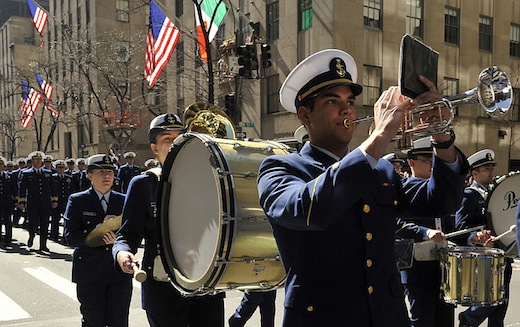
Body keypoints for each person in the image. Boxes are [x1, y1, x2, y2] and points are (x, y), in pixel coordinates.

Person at [256, 48, 468, 326]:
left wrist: (441, 136)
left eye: (350, 101)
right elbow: (310, 210)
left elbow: (441, 201)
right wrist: (379, 137)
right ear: (305, 115)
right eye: (333, 101)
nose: (346, 109)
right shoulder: (280, 168)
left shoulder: (379, 169)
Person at [113, 113, 225, 327]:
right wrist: (122, 252)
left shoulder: (208, 181)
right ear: (154, 148)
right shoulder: (143, 184)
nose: (175, 143)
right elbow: (128, 234)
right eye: (167, 139)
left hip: (206, 286)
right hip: (163, 289)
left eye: (180, 137)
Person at [399, 137, 467, 327]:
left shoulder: (441, 194)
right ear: (411, 162)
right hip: (417, 267)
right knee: (423, 320)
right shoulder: (404, 189)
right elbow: (395, 223)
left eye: (433, 160)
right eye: (426, 160)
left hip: (443, 267)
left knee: (445, 321)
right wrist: (423, 232)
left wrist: (472, 237)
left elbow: (452, 228)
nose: (432, 165)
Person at [64, 154, 132, 327]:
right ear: (89, 175)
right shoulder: (77, 201)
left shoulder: (124, 201)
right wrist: (99, 229)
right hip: (90, 272)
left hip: (117, 273)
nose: (107, 176)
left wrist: (121, 241)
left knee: (119, 321)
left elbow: (133, 233)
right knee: (93, 322)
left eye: (110, 172)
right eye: (101, 172)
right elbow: (70, 236)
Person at [456, 149, 512, 327]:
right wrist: (476, 237)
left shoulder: (495, 194)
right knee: (490, 299)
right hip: (483, 256)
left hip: (502, 253)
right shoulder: (469, 196)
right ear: (474, 173)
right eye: (486, 168)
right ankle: (469, 318)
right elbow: (459, 227)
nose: (491, 171)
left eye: (491, 168)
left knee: (502, 301)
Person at [18, 151, 58, 252]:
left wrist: (54, 200)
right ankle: (31, 235)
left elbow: (53, 188)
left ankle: (43, 245)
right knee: (32, 223)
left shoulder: (48, 173)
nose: (38, 162)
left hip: (45, 203)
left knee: (45, 224)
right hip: (32, 203)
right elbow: (22, 189)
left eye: (40, 160)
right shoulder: (26, 173)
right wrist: (22, 202)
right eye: (36, 160)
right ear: (32, 161)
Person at [50, 160, 73, 243]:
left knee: (66, 220)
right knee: (55, 219)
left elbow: (72, 190)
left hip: (66, 201)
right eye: (59, 168)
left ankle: (65, 237)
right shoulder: (52, 177)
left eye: (63, 167)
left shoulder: (69, 178)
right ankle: (54, 236)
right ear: (56, 168)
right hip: (56, 201)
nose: (61, 169)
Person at [0, 156, 16, 247]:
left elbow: (14, 189)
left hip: (7, 202)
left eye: (1, 164)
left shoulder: (9, 175)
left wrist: (16, 200)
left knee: (8, 221)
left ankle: (8, 239)